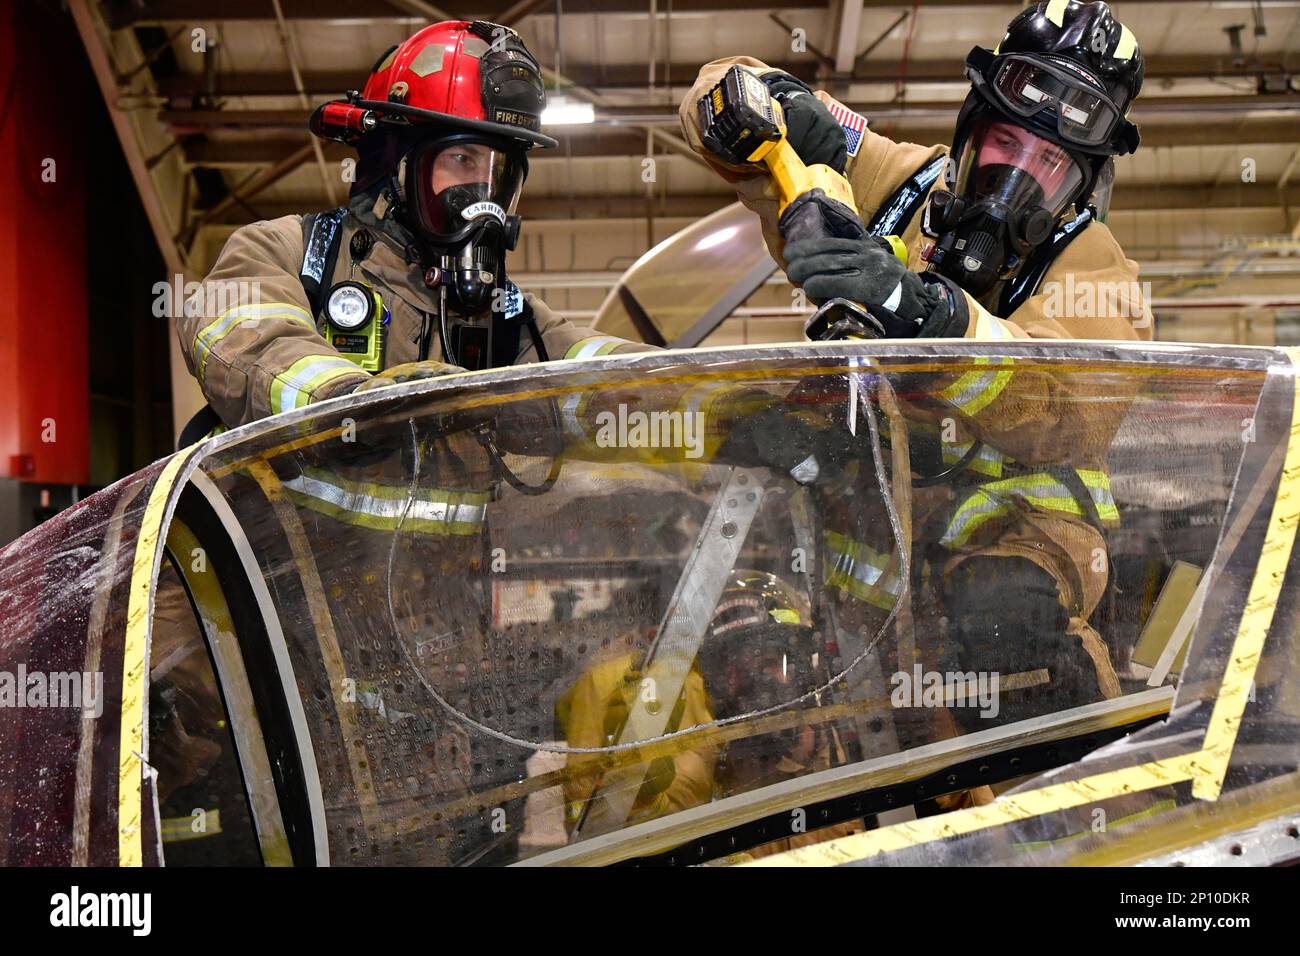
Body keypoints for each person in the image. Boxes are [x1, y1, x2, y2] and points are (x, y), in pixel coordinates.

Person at [680, 1, 1153, 726]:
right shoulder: (905, 186)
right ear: (969, 131)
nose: (1016, 176)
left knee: (1013, 655)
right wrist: (766, 110)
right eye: (1004, 142)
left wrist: (931, 314)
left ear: (1086, 183)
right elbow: (725, 80)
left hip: (1022, 544)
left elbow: (1068, 413)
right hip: (876, 550)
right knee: (862, 730)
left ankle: (1088, 810)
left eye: (1050, 163)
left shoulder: (1100, 273)